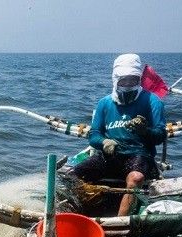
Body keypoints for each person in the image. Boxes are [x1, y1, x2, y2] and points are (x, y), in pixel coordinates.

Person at [70, 53, 166, 216]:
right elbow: (94, 135)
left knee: (135, 178)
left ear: (139, 78)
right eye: (124, 80)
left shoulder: (153, 101)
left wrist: (145, 131)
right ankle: (76, 212)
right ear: (115, 79)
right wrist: (104, 143)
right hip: (110, 156)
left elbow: (160, 135)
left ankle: (120, 224)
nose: (128, 84)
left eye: (132, 79)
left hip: (139, 155)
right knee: (72, 176)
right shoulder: (105, 103)